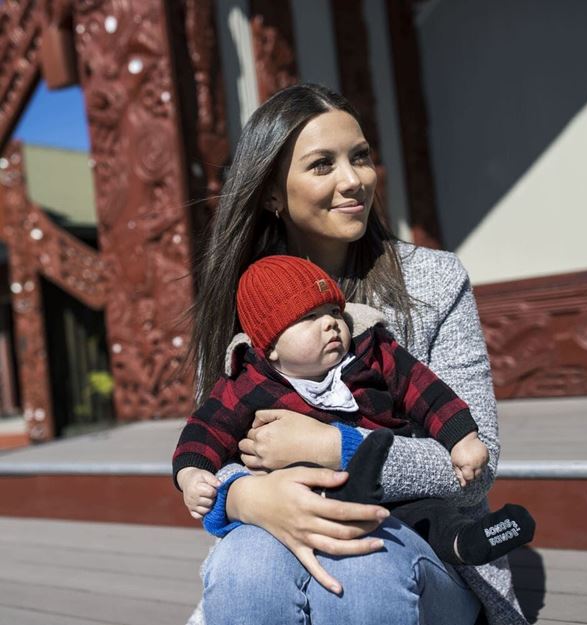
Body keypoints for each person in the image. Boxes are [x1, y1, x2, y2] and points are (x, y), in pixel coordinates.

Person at [179, 83, 528, 625]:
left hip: (425, 547)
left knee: (363, 567)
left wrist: (334, 446)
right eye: (322, 165)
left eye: (359, 157)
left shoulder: (434, 281)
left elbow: (477, 470)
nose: (354, 181)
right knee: (242, 568)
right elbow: (212, 447)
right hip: (277, 532)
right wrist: (245, 499)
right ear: (272, 192)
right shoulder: (244, 301)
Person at [174, 254, 534, 567]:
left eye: (333, 311)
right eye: (309, 317)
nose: (330, 323)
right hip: (307, 502)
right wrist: (192, 475)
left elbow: (424, 389)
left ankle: (468, 541)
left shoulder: (371, 353)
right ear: (270, 347)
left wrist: (462, 437)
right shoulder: (247, 383)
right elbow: (206, 430)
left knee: (427, 516)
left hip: (390, 490)